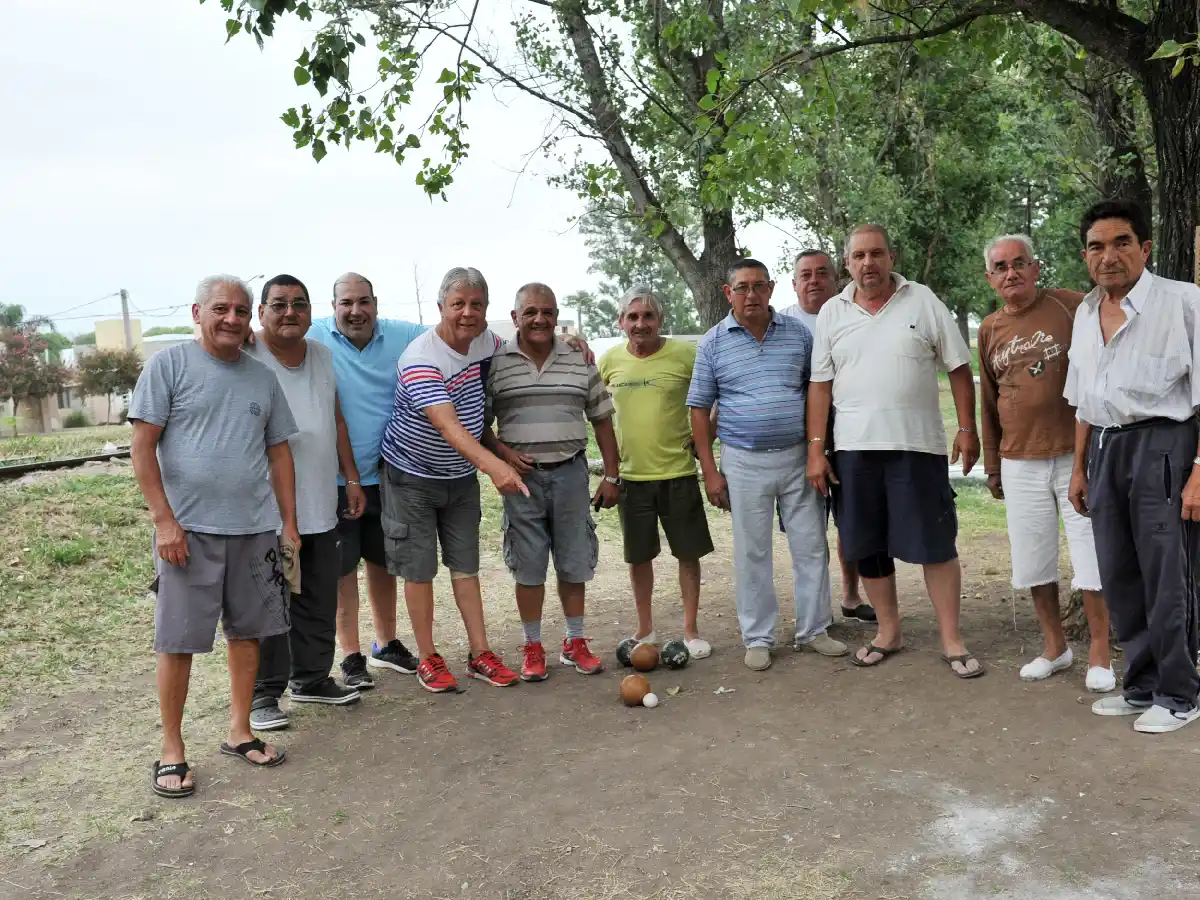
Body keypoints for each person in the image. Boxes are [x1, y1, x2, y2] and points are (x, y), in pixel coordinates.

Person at [130, 275, 298, 798]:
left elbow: (278, 453)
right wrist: (164, 520)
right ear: (198, 311)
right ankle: (172, 749)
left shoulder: (262, 378)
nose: (231, 318)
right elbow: (142, 447)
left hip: (254, 529)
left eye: (241, 310)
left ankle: (239, 730)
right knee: (177, 641)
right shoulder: (168, 366)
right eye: (221, 309)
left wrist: (288, 522)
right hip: (189, 532)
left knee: (247, 635)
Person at [807, 224, 985, 678]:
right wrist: (815, 450)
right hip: (853, 450)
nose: (869, 263)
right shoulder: (832, 312)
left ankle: (952, 638)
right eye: (859, 256)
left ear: (892, 257)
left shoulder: (923, 300)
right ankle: (889, 631)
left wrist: (967, 428)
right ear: (846, 263)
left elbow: (960, 368)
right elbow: (820, 386)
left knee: (935, 544)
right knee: (867, 545)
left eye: (877, 254)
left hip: (917, 447)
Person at [1065, 198, 1200, 734]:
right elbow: (1083, 398)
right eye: (1097, 246)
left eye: (1122, 242)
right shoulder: (1084, 312)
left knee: (1167, 575)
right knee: (1119, 572)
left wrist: (1199, 469)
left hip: (1164, 445)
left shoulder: (1183, 301)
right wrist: (1079, 467)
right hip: (1104, 448)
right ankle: (1142, 685)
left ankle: (1181, 692)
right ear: (1085, 256)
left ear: (1145, 247)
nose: (1109, 255)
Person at [688, 258, 848, 671]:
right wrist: (710, 471)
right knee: (752, 552)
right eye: (741, 288)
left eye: (759, 286)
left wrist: (819, 450)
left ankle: (814, 630)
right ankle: (758, 636)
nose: (751, 295)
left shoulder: (798, 335)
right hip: (742, 462)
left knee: (811, 546)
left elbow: (817, 394)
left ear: (773, 288)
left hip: (799, 458)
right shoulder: (713, 342)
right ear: (728, 293)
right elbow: (700, 410)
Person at [379, 267, 528, 693]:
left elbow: (521, 348)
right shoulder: (420, 358)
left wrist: (570, 343)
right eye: (458, 304)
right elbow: (450, 428)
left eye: (476, 304)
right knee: (419, 569)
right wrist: (496, 466)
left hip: (459, 476)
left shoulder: (488, 343)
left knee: (466, 566)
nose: (467, 313)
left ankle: (479, 653)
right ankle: (428, 656)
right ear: (441, 307)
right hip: (411, 476)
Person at [977, 237, 1114, 692]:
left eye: (1020, 264)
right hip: (1019, 460)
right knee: (1034, 559)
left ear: (1036, 268)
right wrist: (992, 463)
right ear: (990, 277)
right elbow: (989, 401)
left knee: (1090, 557)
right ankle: (1055, 647)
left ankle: (1099, 651)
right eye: (1001, 267)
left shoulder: (1072, 307)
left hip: (1076, 457)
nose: (1011, 273)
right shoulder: (990, 327)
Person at [246, 274, 366, 732]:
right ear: (261, 313)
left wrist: (351, 476)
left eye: (299, 303)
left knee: (318, 595)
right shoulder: (246, 355)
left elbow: (334, 418)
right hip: (266, 509)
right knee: (271, 602)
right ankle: (263, 694)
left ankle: (312, 678)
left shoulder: (321, 354)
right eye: (279, 304)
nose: (290, 312)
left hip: (320, 498)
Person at [484, 283, 621, 682]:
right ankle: (532, 646)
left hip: (572, 473)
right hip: (522, 481)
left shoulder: (579, 359)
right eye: (530, 312)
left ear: (556, 316)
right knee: (528, 566)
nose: (539, 319)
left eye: (547, 312)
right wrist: (504, 456)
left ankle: (574, 642)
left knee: (574, 560)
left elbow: (602, 420)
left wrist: (612, 475)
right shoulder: (497, 363)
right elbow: (480, 424)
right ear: (515, 318)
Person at [308, 274, 424, 689]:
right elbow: (262, 335)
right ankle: (351, 655)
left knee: (383, 563)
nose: (355, 311)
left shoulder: (403, 335)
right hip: (336, 479)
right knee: (343, 569)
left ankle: (386, 643)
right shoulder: (313, 334)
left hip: (390, 474)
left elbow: (456, 332)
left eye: (363, 302)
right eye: (346, 303)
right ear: (333, 305)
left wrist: (565, 340)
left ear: (375, 303)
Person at [599, 286, 715, 657]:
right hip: (632, 479)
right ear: (621, 322)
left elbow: (717, 394)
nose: (640, 323)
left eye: (648, 316)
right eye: (632, 317)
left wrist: (704, 438)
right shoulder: (610, 360)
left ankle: (691, 631)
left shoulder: (686, 355)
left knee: (688, 554)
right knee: (638, 557)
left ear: (660, 320)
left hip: (678, 474)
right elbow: (595, 410)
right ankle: (645, 629)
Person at [777, 249, 870, 622]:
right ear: (794, 283)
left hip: (850, 437)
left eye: (822, 273)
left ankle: (850, 595)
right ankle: (817, 610)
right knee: (808, 528)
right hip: (801, 443)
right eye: (806, 275)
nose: (814, 280)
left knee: (850, 523)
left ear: (836, 278)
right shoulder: (781, 324)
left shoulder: (854, 316)